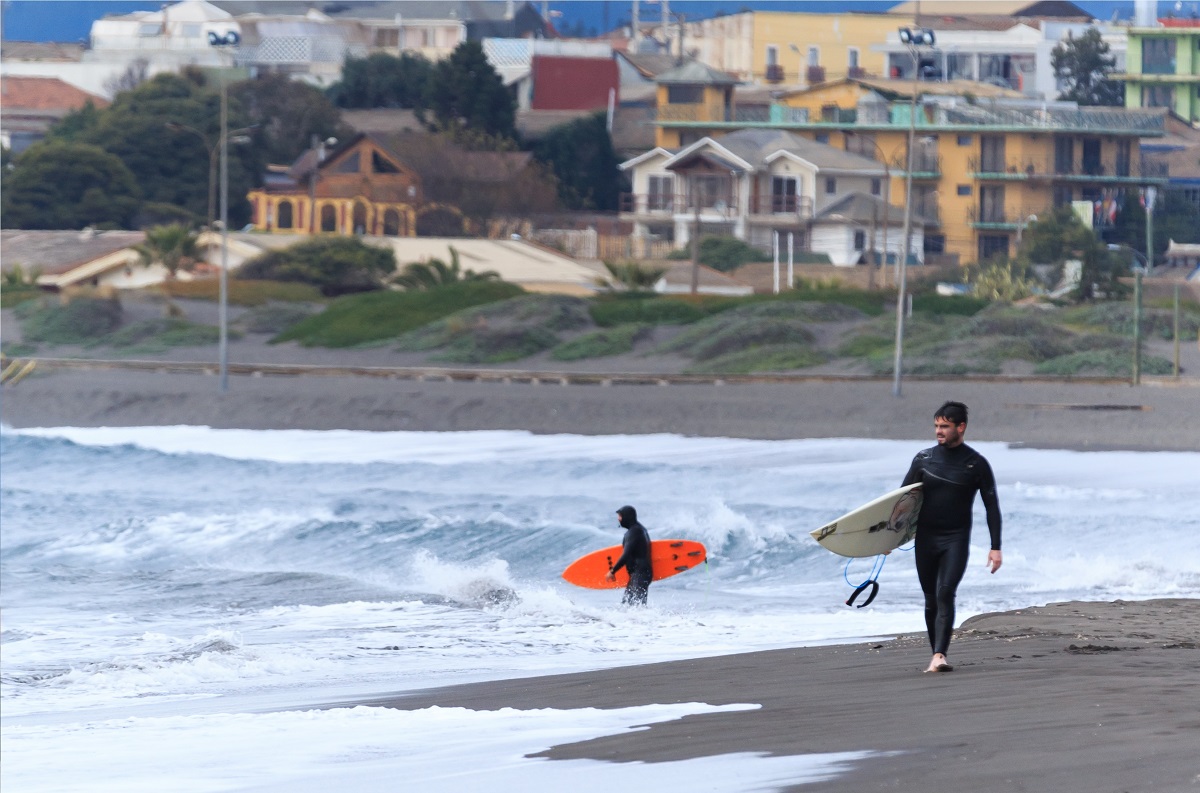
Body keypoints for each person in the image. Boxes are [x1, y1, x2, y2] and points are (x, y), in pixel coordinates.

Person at [901, 401, 1002, 673]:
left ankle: (939, 655)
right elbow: (902, 503)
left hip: (955, 539)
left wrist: (995, 547)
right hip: (926, 539)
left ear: (961, 427)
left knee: (946, 592)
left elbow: (991, 505)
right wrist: (889, 539)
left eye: (944, 426)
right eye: (936, 425)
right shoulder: (923, 459)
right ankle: (936, 653)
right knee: (930, 597)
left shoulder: (976, 464)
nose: (938, 431)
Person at [605, 505, 652, 606]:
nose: (618, 519)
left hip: (640, 574)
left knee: (637, 606)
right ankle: (636, 621)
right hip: (640, 573)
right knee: (627, 605)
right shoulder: (640, 530)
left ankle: (646, 621)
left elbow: (626, 555)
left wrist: (613, 571)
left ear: (627, 517)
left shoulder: (634, 532)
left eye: (620, 516)